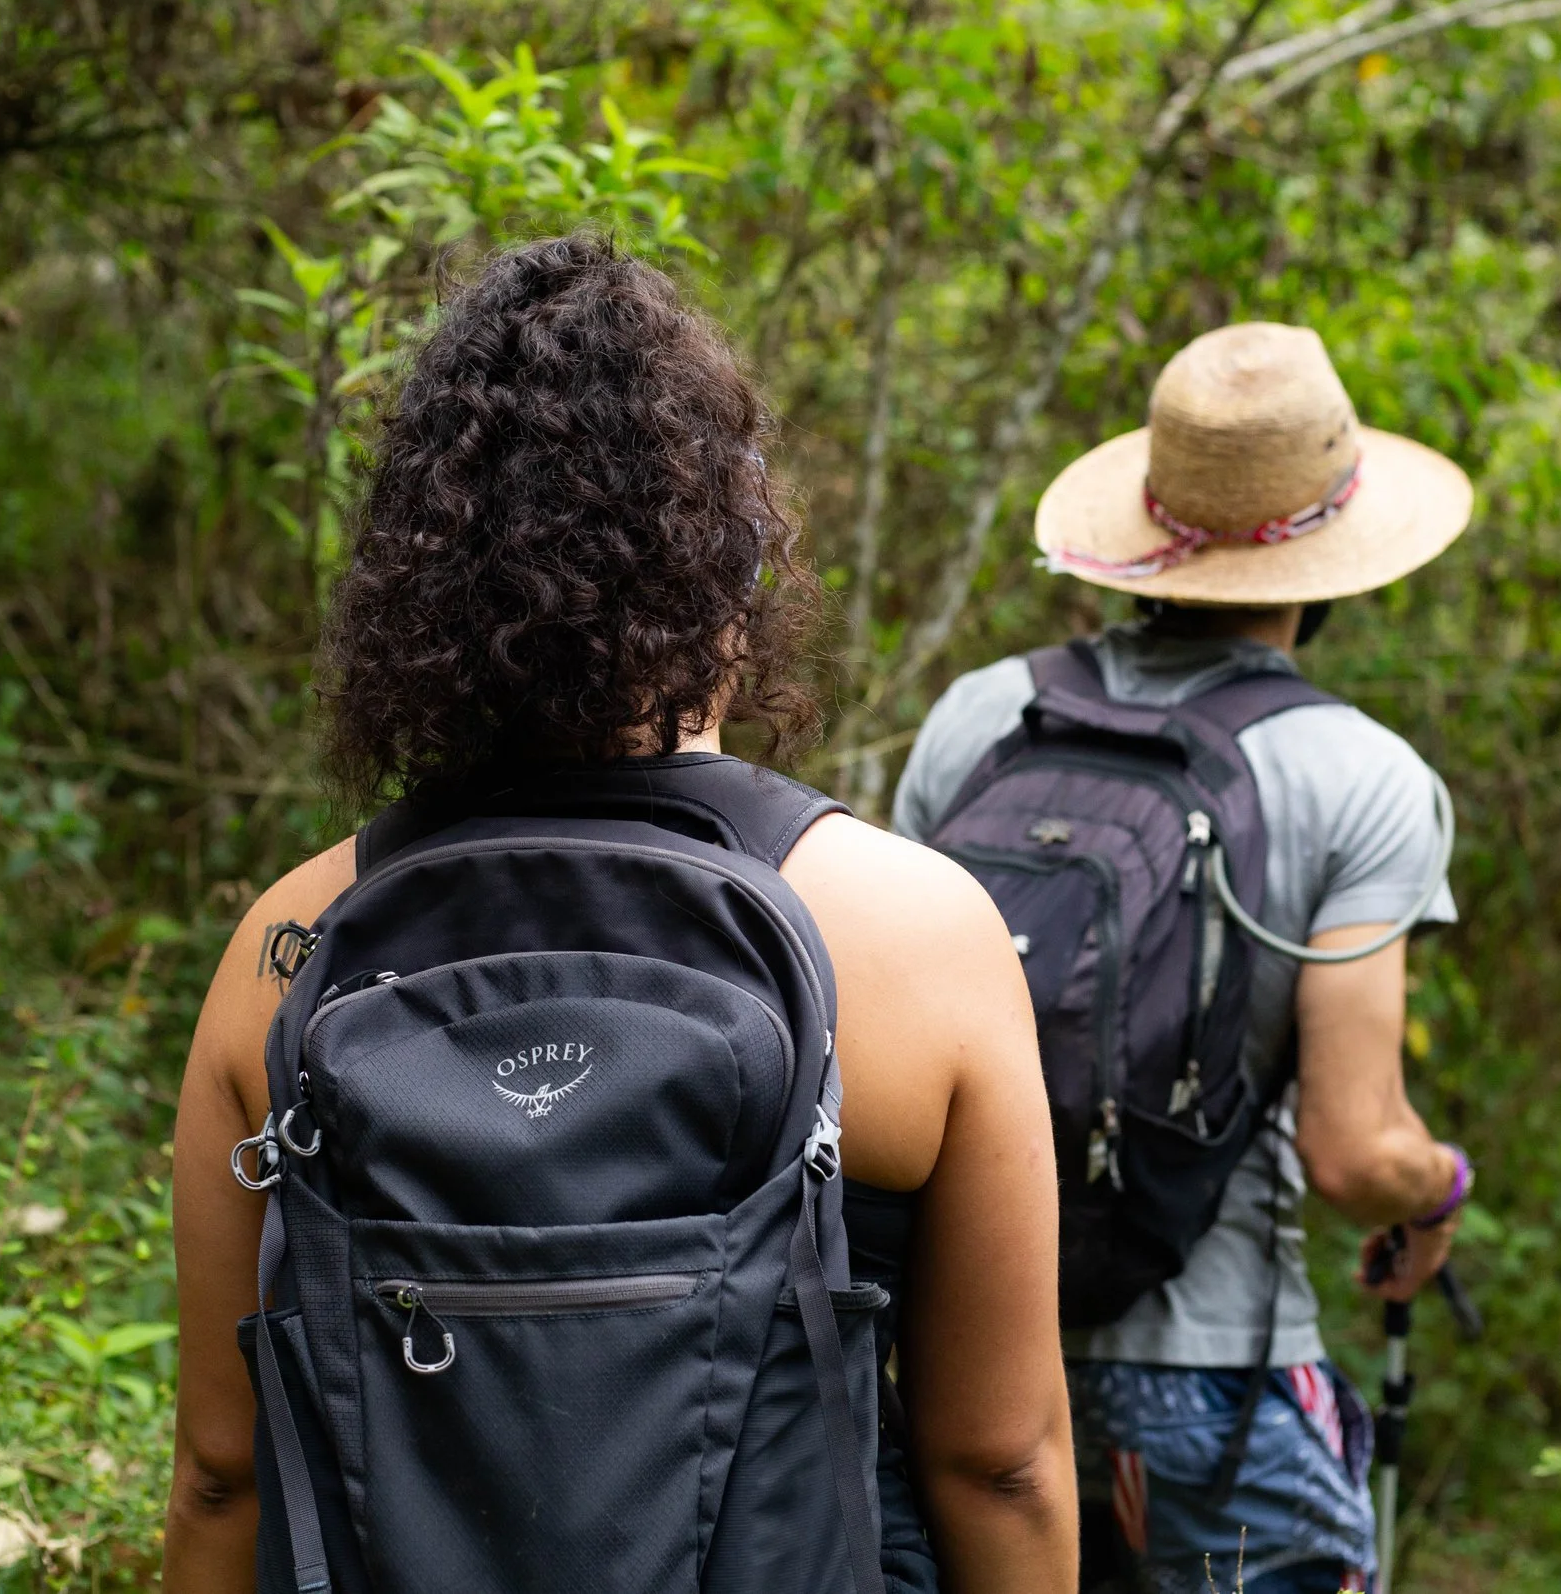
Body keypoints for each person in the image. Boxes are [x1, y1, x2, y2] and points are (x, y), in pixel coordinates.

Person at [163, 234, 1077, 1593]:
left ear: (419, 589)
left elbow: (224, 1471)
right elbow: (1000, 1460)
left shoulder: (288, 944)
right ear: (731, 570)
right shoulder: (917, 928)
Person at [891, 323, 1476, 1594]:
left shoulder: (982, 715)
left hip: (957, 1360)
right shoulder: (1363, 778)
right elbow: (1353, 1149)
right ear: (1329, 548)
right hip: (1213, 1373)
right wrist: (1434, 1191)